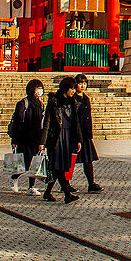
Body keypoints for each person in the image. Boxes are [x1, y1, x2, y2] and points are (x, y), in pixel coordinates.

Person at [40, 76, 82, 204]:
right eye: (72, 88)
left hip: (68, 137)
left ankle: (47, 193)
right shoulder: (54, 102)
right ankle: (67, 193)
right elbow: (46, 123)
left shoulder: (72, 102)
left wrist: (79, 139)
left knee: (57, 167)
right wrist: (42, 141)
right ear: (66, 88)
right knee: (59, 167)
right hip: (56, 138)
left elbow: (76, 122)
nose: (74, 91)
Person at [7, 79, 46, 196]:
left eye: (41, 88)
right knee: (24, 163)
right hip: (24, 137)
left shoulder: (41, 104)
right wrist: (14, 140)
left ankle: (31, 187)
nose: (40, 91)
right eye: (37, 88)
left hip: (36, 137)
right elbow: (18, 122)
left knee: (34, 163)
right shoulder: (23, 103)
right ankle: (14, 178)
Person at [73, 74, 102, 193]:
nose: (82, 86)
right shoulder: (73, 99)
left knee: (88, 160)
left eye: (84, 83)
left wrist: (90, 134)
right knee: (70, 161)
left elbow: (88, 117)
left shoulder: (86, 99)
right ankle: (65, 183)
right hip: (75, 134)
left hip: (85, 134)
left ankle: (91, 183)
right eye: (80, 83)